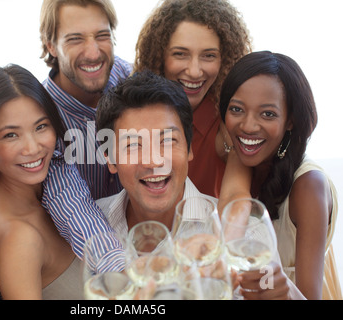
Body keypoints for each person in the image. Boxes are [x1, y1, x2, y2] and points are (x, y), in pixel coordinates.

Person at [95, 71, 301, 300]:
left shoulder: (247, 235)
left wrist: (287, 295)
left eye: (167, 141)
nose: (154, 161)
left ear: (189, 148)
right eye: (134, 145)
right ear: (110, 158)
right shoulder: (90, 229)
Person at [0, 64, 123, 300]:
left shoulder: (53, 185)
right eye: (11, 135)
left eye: (41, 127)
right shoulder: (20, 239)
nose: (32, 148)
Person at [219, 51, 341, 300]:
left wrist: (284, 288)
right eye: (237, 109)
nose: (248, 126)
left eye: (268, 114)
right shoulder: (235, 151)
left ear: (290, 121)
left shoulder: (309, 187)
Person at [134, 0, 252, 198]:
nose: (195, 71)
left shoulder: (227, 118)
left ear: (224, 59)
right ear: (159, 56)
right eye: (180, 54)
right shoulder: (135, 109)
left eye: (209, 56)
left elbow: (236, 196)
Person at [39, 0, 132, 200]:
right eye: (75, 39)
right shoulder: (39, 116)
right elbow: (71, 204)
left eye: (102, 36)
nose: (93, 53)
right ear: (51, 46)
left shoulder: (132, 79)